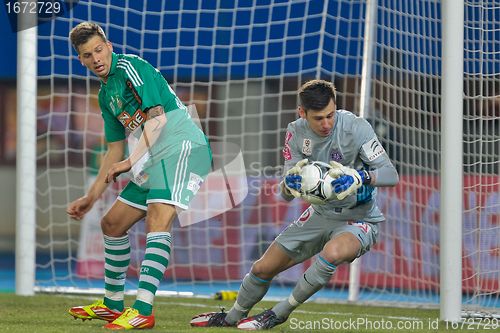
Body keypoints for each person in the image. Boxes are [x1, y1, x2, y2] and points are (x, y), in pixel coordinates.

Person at [190, 79, 399, 330]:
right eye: (318, 118)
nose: (326, 124)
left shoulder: (356, 127)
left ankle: (279, 312)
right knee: (262, 268)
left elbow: (390, 175)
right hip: (319, 214)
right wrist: (290, 184)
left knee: (331, 253)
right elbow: (286, 194)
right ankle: (232, 317)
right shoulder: (295, 132)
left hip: (359, 218)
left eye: (330, 115)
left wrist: (361, 176)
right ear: (303, 113)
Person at [66, 22, 211, 330]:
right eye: (87, 55)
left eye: (99, 50)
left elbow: (157, 120)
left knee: (158, 218)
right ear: (81, 59)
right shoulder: (106, 95)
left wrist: (131, 161)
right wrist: (90, 198)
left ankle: (143, 309)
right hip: (154, 155)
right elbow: (113, 150)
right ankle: (112, 305)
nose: (96, 59)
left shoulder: (132, 68)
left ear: (109, 46)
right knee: (112, 223)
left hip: (183, 145)